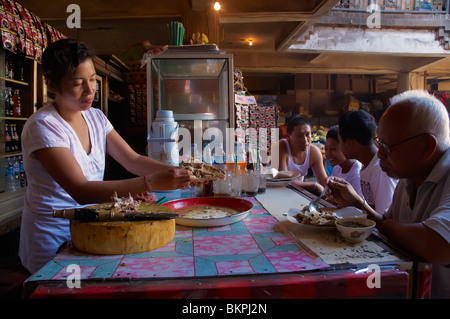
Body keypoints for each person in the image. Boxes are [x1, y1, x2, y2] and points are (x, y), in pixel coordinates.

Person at [19, 39, 197, 274]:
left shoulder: (96, 117)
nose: (90, 89)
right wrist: (150, 183)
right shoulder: (44, 126)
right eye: (77, 83)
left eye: (92, 79)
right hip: (53, 236)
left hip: (91, 228)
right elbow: (80, 190)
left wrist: (177, 172)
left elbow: (132, 160)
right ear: (52, 85)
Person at [328, 90, 450, 298]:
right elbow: (390, 224)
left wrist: (383, 224)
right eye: (378, 142)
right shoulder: (408, 175)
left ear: (427, 147)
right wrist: (359, 205)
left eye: (387, 146)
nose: (380, 153)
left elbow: (438, 244)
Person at [337, 109, 397, 215]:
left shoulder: (380, 170)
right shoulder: (366, 165)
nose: (339, 147)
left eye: (339, 141)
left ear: (350, 143)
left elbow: (383, 219)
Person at [277, 116, 327, 194]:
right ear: (289, 137)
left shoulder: (314, 152)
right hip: (277, 190)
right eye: (299, 135)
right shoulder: (281, 146)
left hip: (297, 191)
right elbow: (284, 180)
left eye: (307, 134)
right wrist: (314, 185)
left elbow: (324, 183)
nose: (305, 140)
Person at [324, 125, 364, 199]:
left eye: (332, 149)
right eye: (326, 149)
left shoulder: (357, 173)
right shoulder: (337, 168)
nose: (327, 154)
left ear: (345, 146)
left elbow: (359, 205)